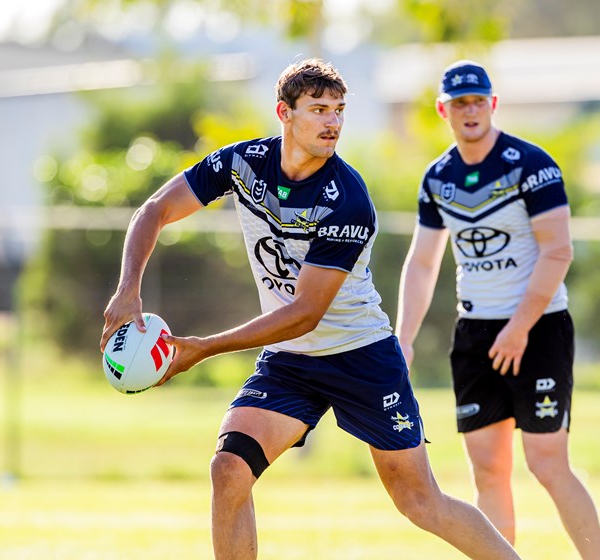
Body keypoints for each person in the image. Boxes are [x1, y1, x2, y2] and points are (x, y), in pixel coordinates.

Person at [100, 59, 520, 560]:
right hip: (291, 361)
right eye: (319, 109)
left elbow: (305, 313)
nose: (332, 122)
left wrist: (203, 348)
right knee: (229, 469)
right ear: (285, 112)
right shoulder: (243, 163)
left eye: (339, 110)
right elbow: (155, 210)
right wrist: (128, 288)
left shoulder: (347, 198)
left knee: (419, 501)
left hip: (361, 356)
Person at [395, 60, 600, 560]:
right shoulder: (438, 177)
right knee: (488, 469)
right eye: (459, 103)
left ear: (492, 104)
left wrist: (518, 327)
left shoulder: (530, 164)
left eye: (478, 101)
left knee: (547, 463)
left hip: (539, 329)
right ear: (443, 110)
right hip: (475, 333)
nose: (469, 111)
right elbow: (423, 262)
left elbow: (558, 251)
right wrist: (403, 339)